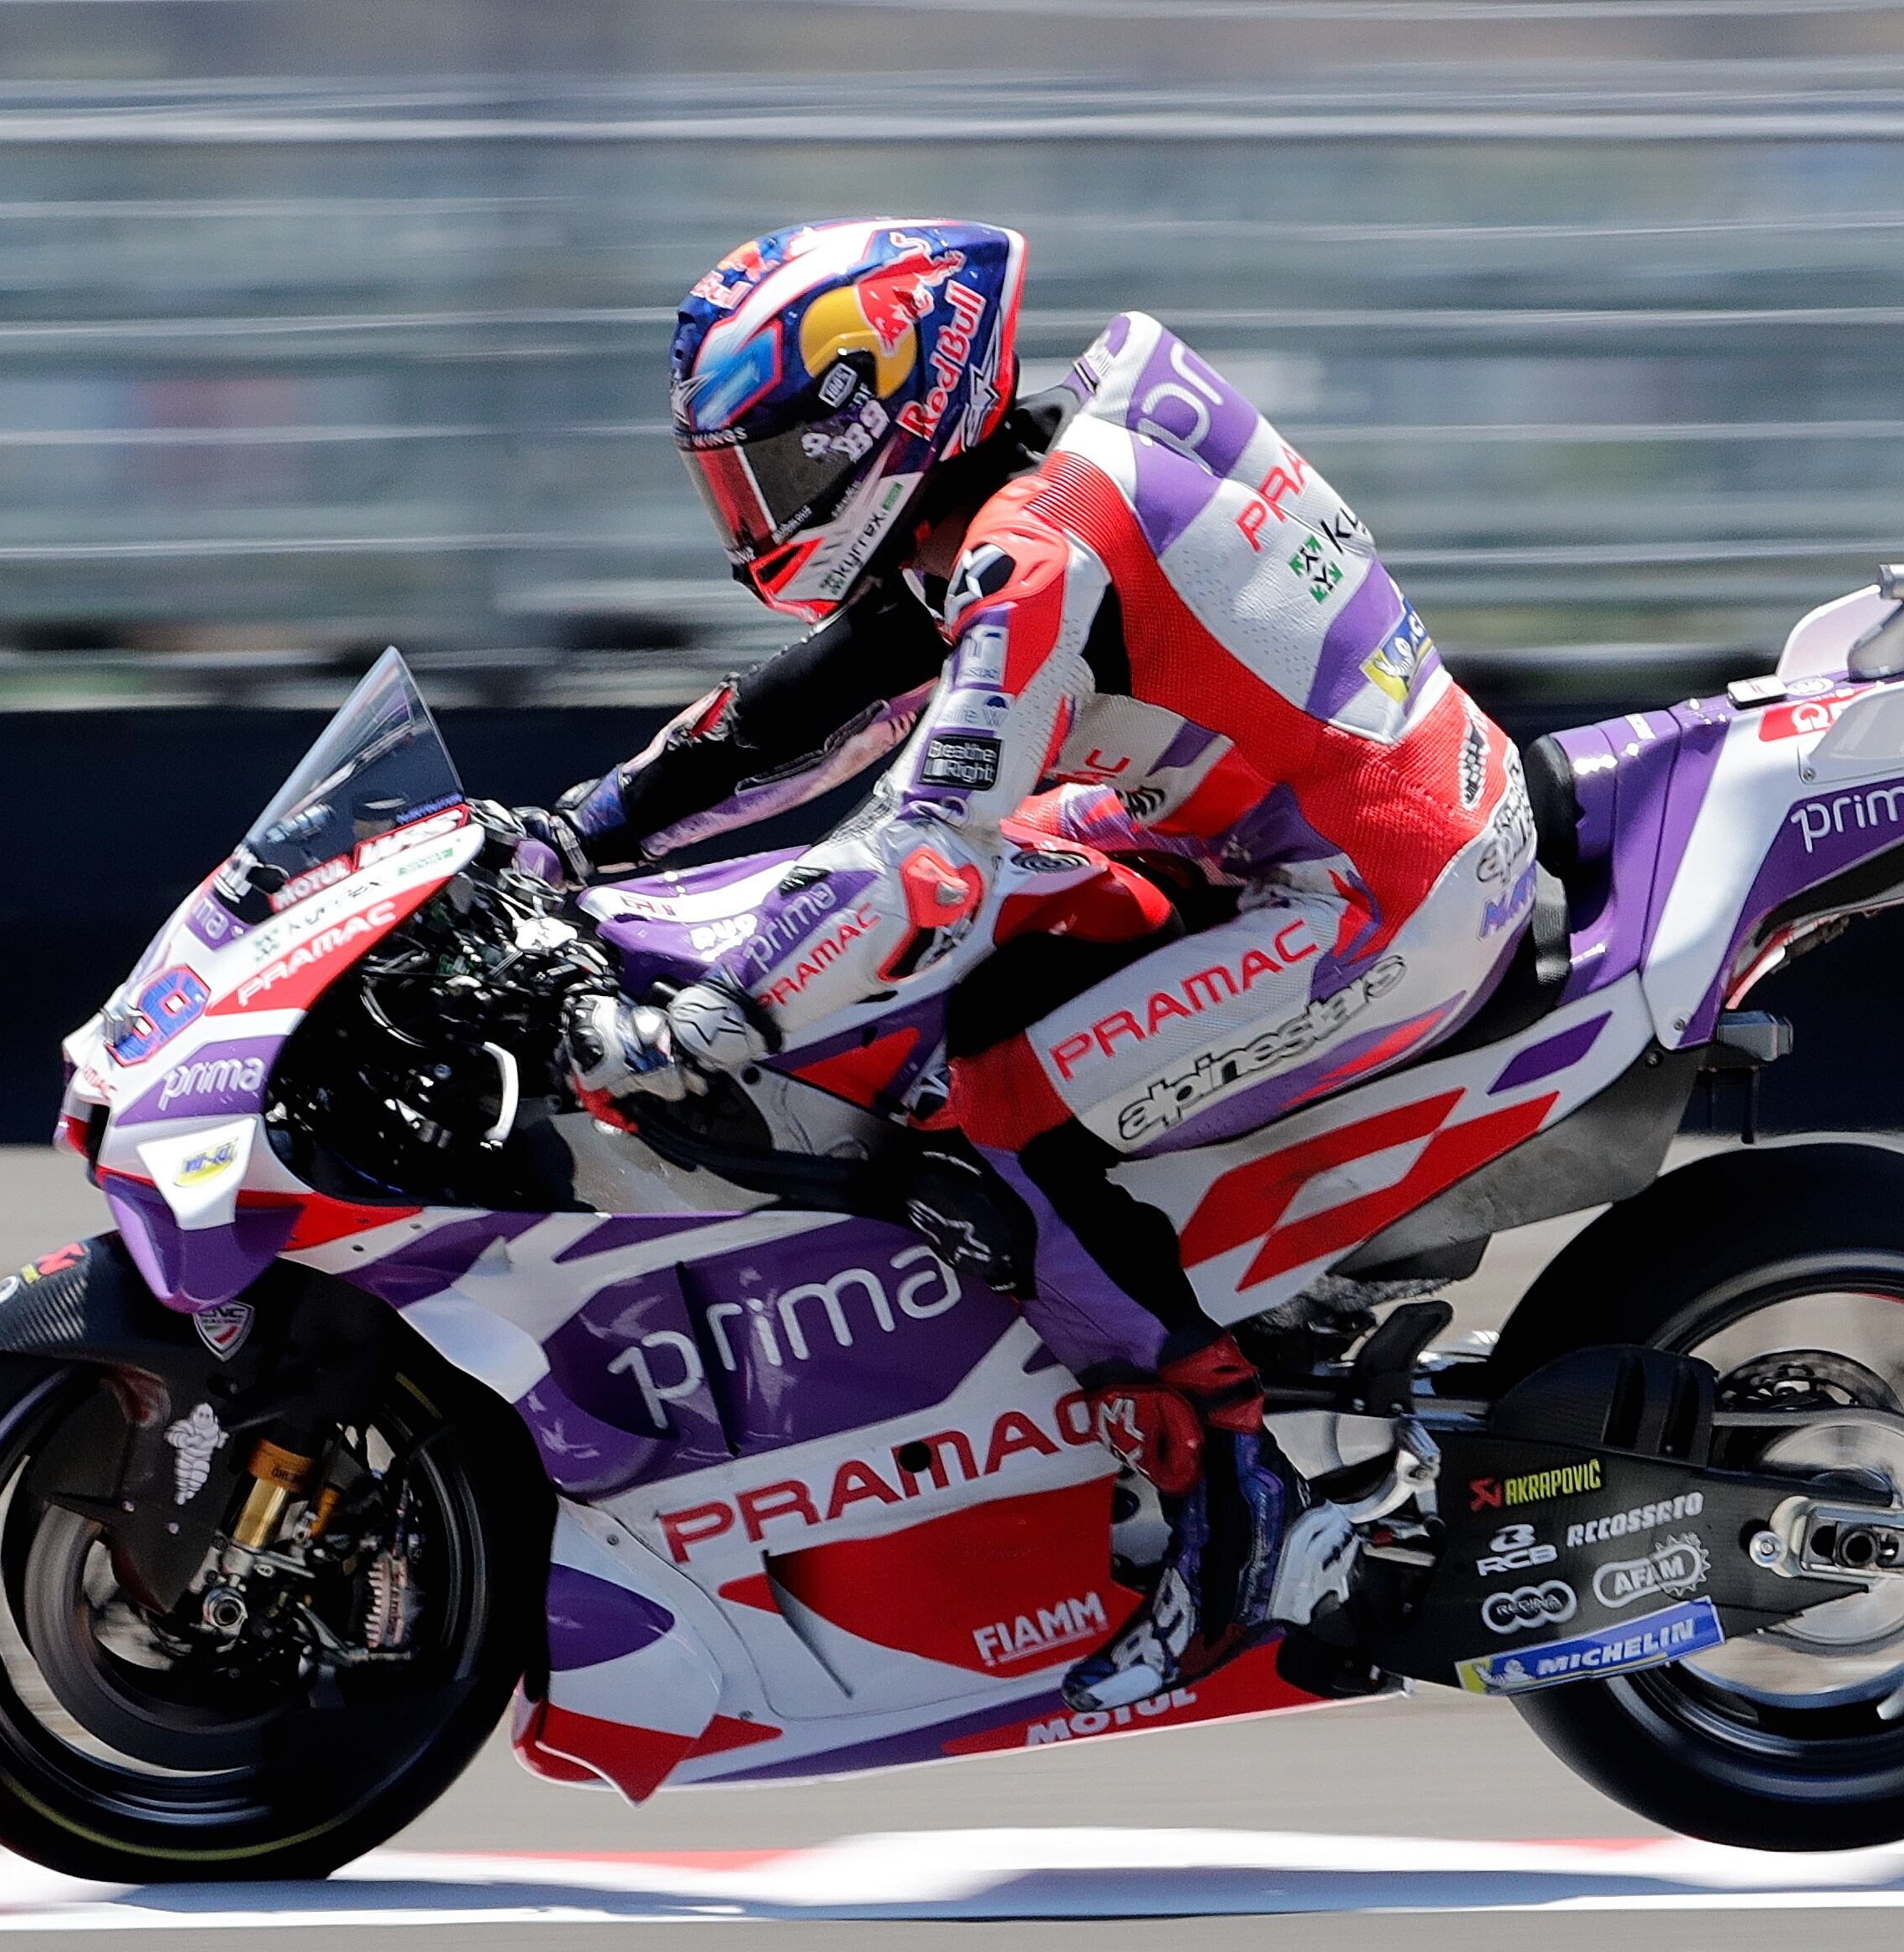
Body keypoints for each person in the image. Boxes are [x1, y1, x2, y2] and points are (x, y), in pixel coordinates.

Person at [539, 218, 1536, 1711]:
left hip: (1367, 890)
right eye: (733, 476)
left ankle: (1241, 1502)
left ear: (890, 412)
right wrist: (563, 835)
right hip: (1266, 823)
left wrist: (715, 1014)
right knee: (943, 955)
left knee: (990, 1085)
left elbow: (923, 844)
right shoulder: (1022, 492)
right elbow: (798, 715)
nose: (757, 512)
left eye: (778, 466)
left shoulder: (1036, 548)